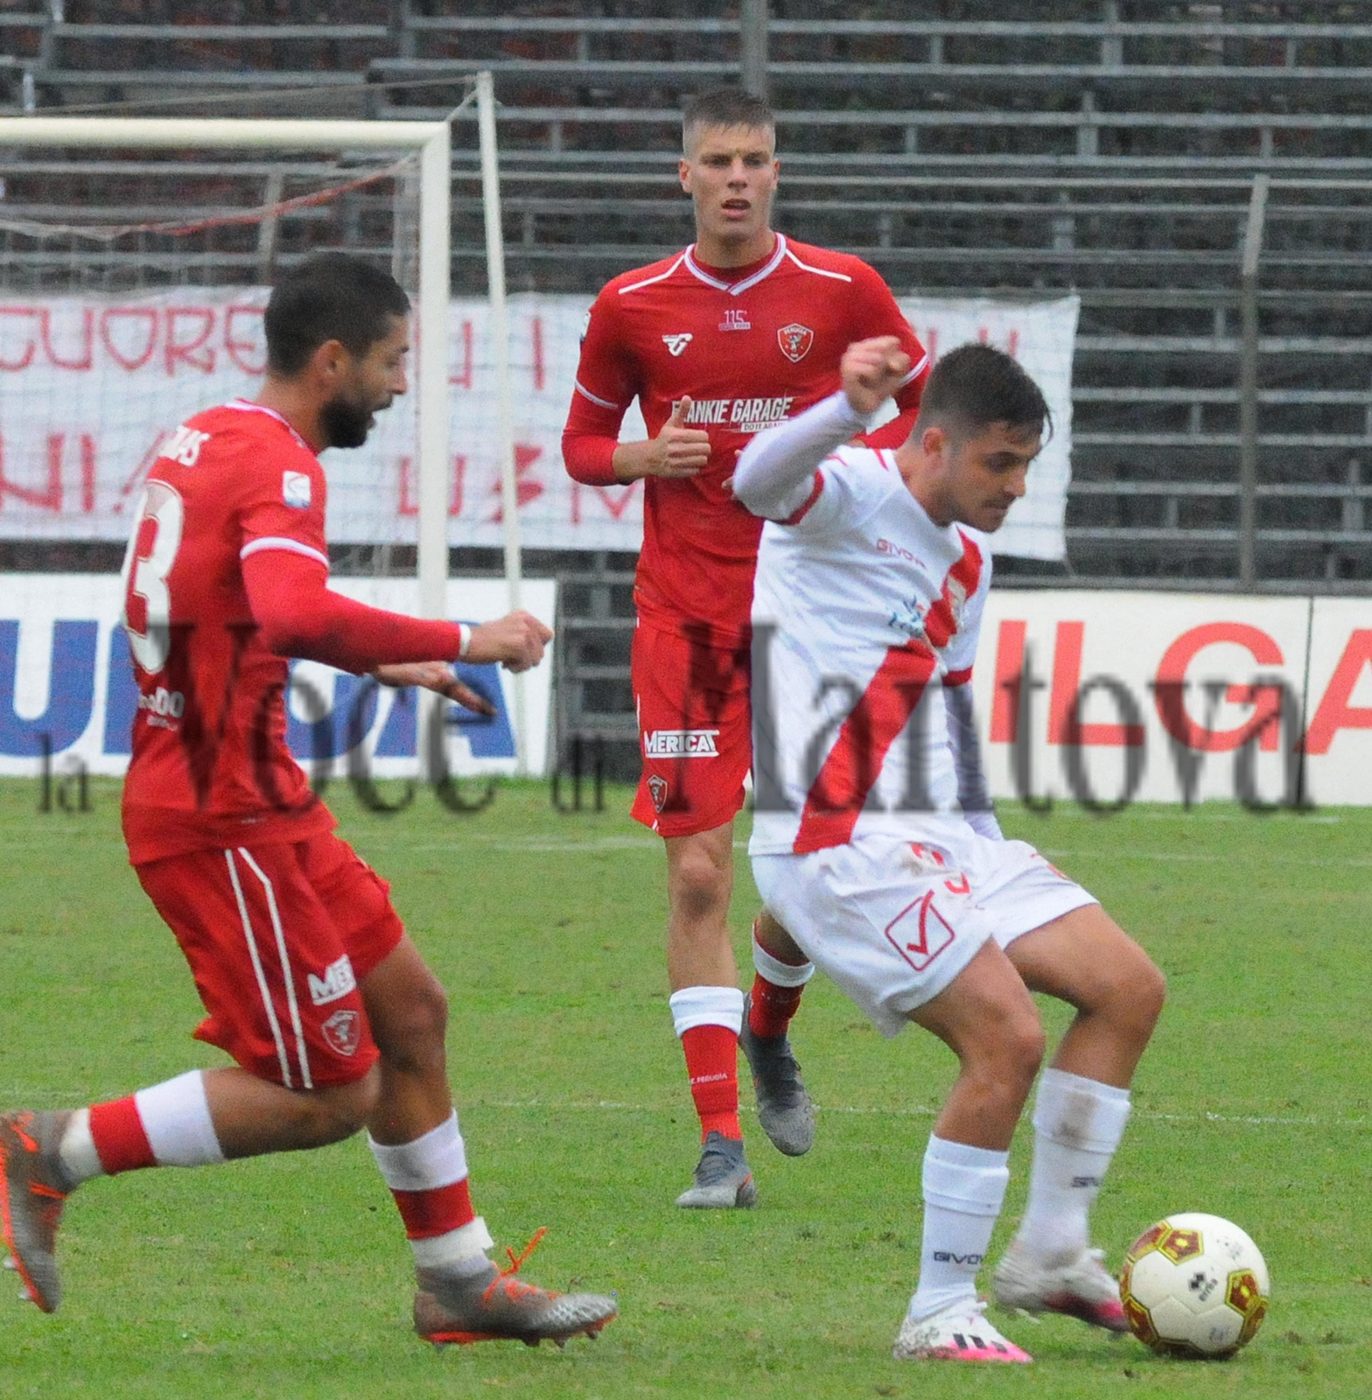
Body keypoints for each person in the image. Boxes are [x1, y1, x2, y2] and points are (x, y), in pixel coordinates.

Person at [0, 253, 616, 1350]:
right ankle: (51, 1147)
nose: (399, 384)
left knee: (411, 1010)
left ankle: (457, 1281)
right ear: (332, 361)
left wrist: (381, 660)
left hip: (260, 798)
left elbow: (229, 604)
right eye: (391, 361)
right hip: (217, 816)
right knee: (331, 1092)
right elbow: (287, 609)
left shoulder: (209, 434)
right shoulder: (281, 466)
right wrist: (465, 635)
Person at [731, 338, 1166, 1363]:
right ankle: (936, 1308)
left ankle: (1051, 1250)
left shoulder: (968, 558)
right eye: (999, 463)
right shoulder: (846, 492)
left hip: (942, 835)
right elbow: (754, 482)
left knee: (1126, 988)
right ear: (933, 444)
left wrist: (985, 844)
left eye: (1025, 466)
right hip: (833, 839)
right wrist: (844, 406)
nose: (1015, 486)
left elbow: (950, 708)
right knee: (1006, 1037)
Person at [561, 86, 931, 1207]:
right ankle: (720, 1144)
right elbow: (581, 444)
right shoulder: (632, 304)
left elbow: (918, 412)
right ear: (685, 176)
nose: (736, 177)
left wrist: (851, 476)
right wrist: (640, 458)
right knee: (696, 874)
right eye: (717, 160)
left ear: (776, 171)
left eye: (754, 159)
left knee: (815, 869)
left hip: (813, 616)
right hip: (686, 618)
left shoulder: (840, 287)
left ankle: (769, 1024)